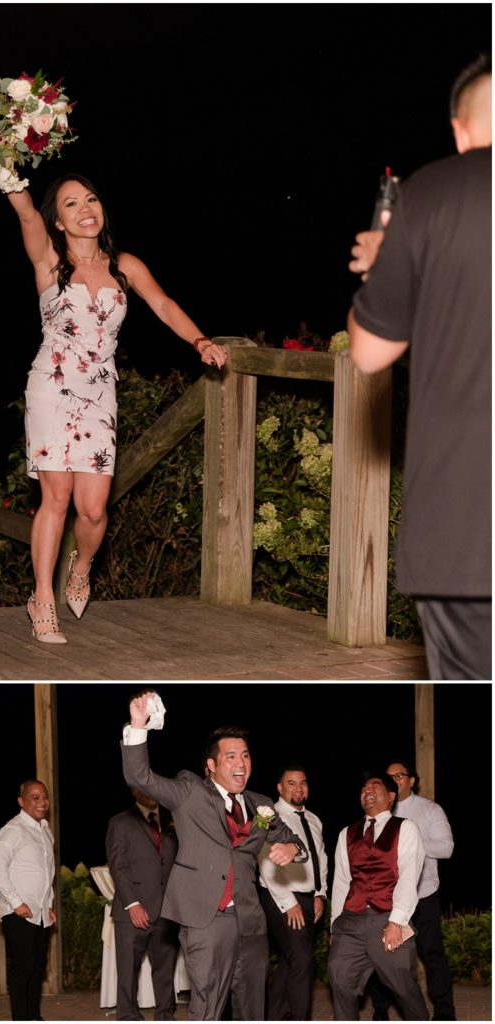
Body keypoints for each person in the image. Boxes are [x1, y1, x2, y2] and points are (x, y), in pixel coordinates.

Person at [0, 170, 227, 643]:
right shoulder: (49, 261)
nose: (85, 209)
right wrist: (9, 158)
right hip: (51, 388)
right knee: (55, 497)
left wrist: (200, 340)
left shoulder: (126, 266)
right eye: (71, 204)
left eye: (91, 199)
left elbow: (163, 305)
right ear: (57, 221)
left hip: (100, 391)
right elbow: (23, 210)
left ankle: (81, 567)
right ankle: (42, 598)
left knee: (94, 510)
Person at [347, 57, 491, 680]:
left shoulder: (428, 194)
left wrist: (387, 262)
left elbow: (371, 352)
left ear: (461, 131)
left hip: (467, 529)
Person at [120, 691, 306, 1020]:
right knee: (207, 1009)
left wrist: (293, 849)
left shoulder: (260, 805)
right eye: (231, 756)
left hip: (250, 923)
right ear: (211, 765)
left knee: (252, 1012)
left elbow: (292, 841)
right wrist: (138, 726)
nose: (241, 763)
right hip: (207, 921)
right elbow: (140, 777)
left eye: (246, 756)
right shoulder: (190, 792)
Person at [328, 772, 427, 1021]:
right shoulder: (346, 834)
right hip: (350, 921)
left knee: (404, 987)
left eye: (375, 786)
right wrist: (334, 926)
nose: (367, 790)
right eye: (363, 788)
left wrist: (397, 922)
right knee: (339, 978)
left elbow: (408, 878)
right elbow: (341, 882)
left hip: (387, 918)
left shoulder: (406, 827)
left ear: (391, 796)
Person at [368, 760, 456, 1021]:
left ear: (411, 780)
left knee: (432, 955)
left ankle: (444, 1013)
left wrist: (410, 841)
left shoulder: (430, 810)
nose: (394, 780)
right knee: (382, 956)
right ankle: (381, 1010)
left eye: (399, 775)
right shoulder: (379, 812)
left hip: (423, 896)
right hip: (388, 900)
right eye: (389, 776)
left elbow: (446, 848)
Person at [255, 766, 328, 1021]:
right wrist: (288, 903)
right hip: (280, 898)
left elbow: (320, 859)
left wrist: (320, 894)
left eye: (303, 783)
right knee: (302, 959)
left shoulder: (314, 820)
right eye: (292, 783)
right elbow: (265, 860)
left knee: (290, 962)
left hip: (309, 897)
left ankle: (275, 1017)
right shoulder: (268, 816)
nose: (299, 788)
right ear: (279, 788)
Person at [105, 787, 179, 1022]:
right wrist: (133, 904)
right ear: (133, 791)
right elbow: (118, 866)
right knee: (128, 971)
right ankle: (128, 1016)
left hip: (167, 910)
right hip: (132, 911)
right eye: (142, 787)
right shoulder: (120, 822)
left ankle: (165, 1015)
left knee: (165, 970)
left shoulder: (173, 819)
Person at [0, 780, 56, 1021]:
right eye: (35, 797)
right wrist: (16, 902)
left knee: (37, 970)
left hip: (40, 914)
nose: (42, 802)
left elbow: (47, 872)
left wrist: (48, 904)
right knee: (23, 970)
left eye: (44, 797)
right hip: (18, 912)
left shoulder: (45, 830)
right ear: (21, 801)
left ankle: (34, 1017)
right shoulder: (13, 829)